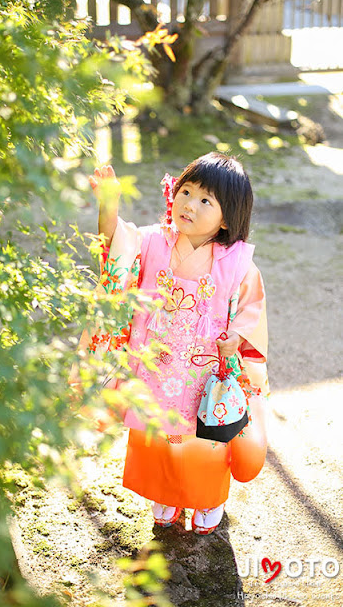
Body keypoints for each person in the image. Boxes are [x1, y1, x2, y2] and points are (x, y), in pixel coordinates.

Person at [87, 153, 268, 535]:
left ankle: (208, 497)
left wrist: (238, 334)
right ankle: (166, 493)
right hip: (156, 363)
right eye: (186, 191)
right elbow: (113, 246)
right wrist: (108, 204)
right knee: (157, 433)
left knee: (205, 437)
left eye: (206, 200)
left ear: (228, 217)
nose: (190, 204)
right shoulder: (152, 242)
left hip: (203, 371)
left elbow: (251, 309)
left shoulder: (235, 263)